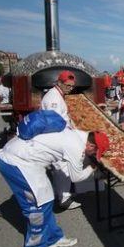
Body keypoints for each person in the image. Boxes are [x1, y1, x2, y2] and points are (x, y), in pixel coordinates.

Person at [0, 128, 109, 247]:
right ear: (91, 145)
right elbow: (76, 177)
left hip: (26, 159)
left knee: (47, 199)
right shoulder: (76, 146)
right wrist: (92, 167)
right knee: (36, 207)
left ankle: (53, 237)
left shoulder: (78, 134)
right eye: (95, 151)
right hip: (15, 162)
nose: (94, 155)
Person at [40, 70, 78, 209]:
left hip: (60, 136)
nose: (70, 88)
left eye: (72, 86)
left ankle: (61, 194)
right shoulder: (53, 99)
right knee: (62, 168)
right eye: (68, 86)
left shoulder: (58, 94)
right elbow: (54, 123)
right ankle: (63, 200)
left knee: (60, 168)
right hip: (56, 137)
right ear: (59, 83)